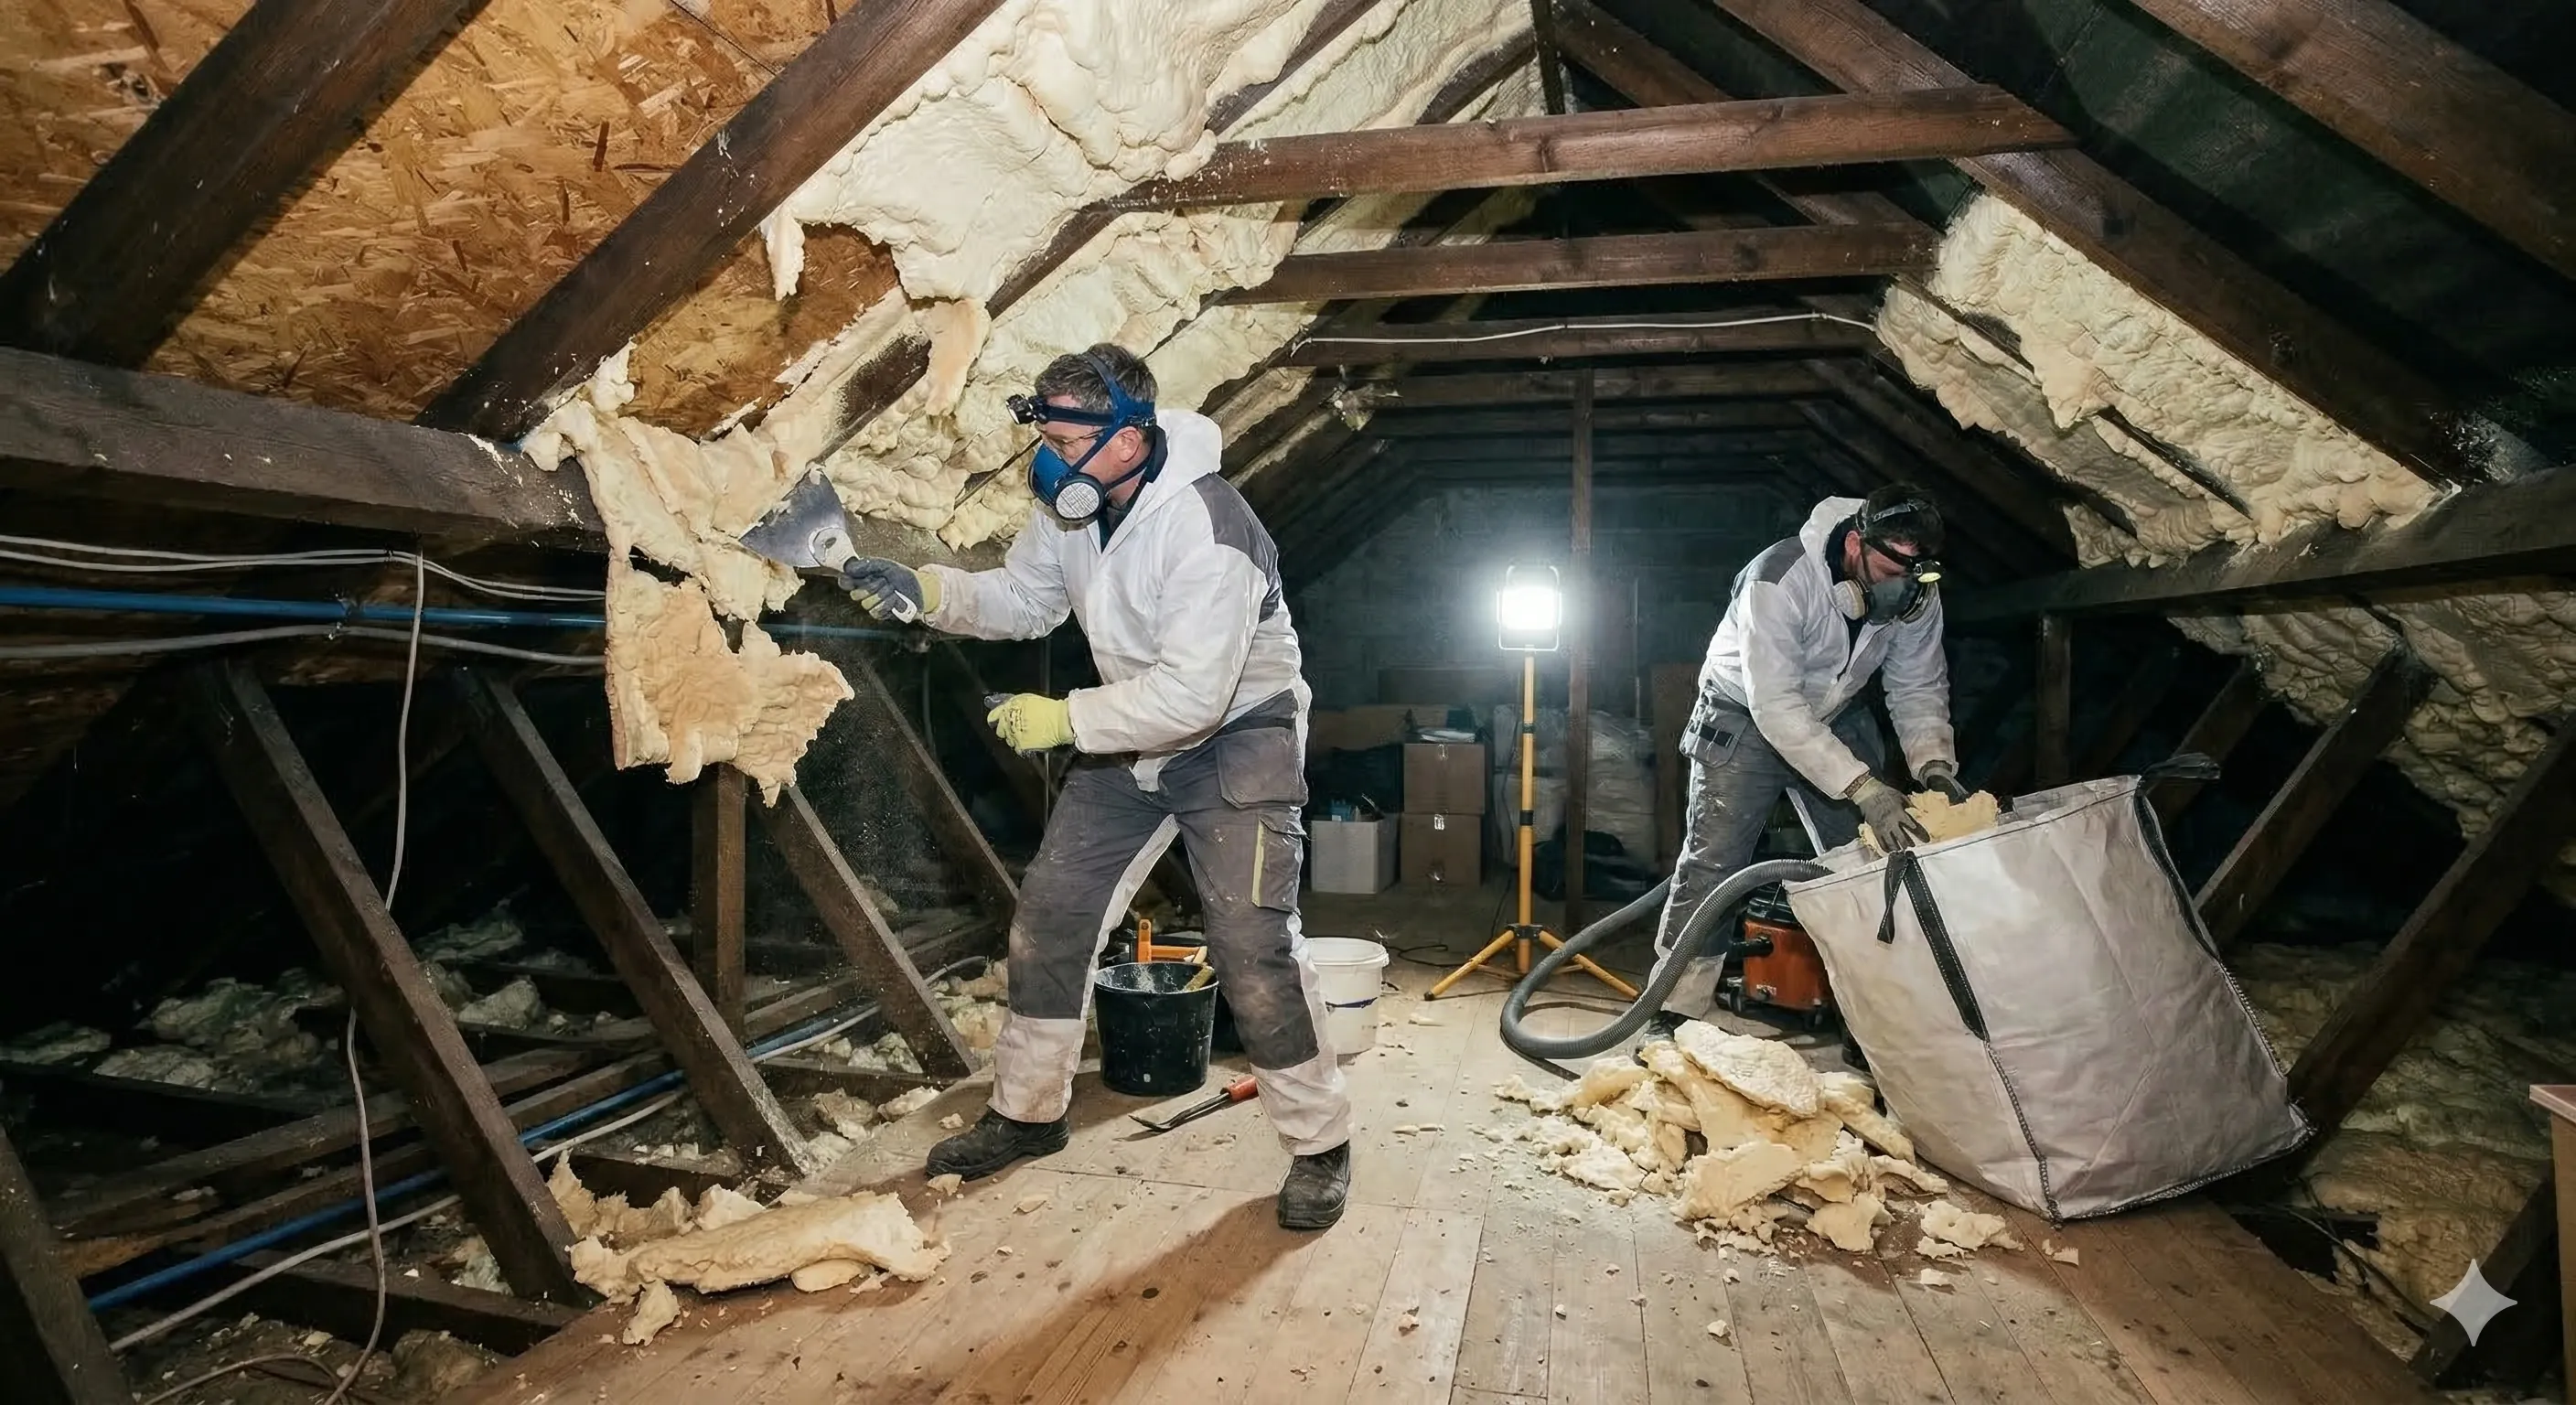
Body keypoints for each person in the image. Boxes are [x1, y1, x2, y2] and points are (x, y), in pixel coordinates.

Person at [834, 344, 1355, 1230]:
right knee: (1050, 915)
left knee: (1247, 942)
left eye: (1065, 434)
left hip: (1238, 732)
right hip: (1128, 730)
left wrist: (1063, 719)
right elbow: (1022, 599)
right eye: (1040, 428)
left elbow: (1196, 694)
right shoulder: (1073, 510)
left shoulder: (1208, 527)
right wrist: (926, 590)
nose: (1047, 453)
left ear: (1129, 436)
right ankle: (1026, 1115)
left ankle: (1318, 1144)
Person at [1652, 486, 1963, 1015]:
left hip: (1835, 711)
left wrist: (1933, 765)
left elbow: (1917, 685)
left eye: (1916, 573)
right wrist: (1863, 786)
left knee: (1866, 857)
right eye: (1892, 571)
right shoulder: (1778, 579)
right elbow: (1775, 705)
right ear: (1855, 546)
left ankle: (1874, 1014)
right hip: (1746, 712)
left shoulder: (1917, 595)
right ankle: (1674, 1007)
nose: (1903, 587)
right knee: (1716, 863)